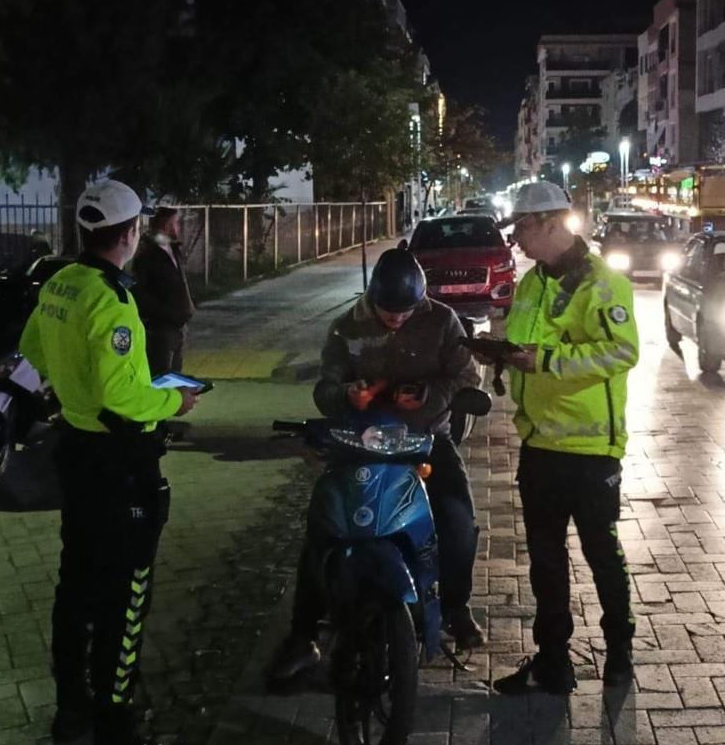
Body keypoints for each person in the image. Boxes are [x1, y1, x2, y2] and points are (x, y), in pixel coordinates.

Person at [20, 180, 199, 745]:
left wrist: (72, 390)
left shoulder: (58, 285)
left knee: (76, 589)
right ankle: (117, 736)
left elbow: (34, 353)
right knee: (126, 598)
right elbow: (124, 395)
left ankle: (71, 709)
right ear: (127, 234)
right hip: (120, 465)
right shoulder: (110, 299)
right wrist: (173, 404)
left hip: (77, 457)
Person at [266, 244, 485, 683]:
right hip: (358, 441)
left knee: (458, 520)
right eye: (388, 312)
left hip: (424, 439)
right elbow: (325, 389)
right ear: (372, 299)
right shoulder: (345, 328)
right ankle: (303, 634)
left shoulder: (442, 321)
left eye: (406, 312)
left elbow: (466, 376)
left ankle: (455, 608)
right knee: (323, 528)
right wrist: (347, 396)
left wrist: (427, 396)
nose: (397, 320)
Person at [494, 180, 639, 696]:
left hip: (590, 450)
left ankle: (619, 652)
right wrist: (500, 353)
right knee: (546, 563)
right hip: (539, 446)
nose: (518, 241)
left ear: (552, 223)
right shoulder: (532, 284)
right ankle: (553, 661)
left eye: (523, 229)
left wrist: (547, 362)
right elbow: (528, 344)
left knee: (603, 553)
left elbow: (622, 353)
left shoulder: (602, 282)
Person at [131, 206, 196, 376]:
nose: (178, 228)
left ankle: (176, 401)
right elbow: (140, 291)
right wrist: (165, 314)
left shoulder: (173, 249)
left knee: (175, 374)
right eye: (176, 223)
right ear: (167, 226)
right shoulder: (147, 254)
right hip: (162, 328)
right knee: (161, 374)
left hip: (178, 325)